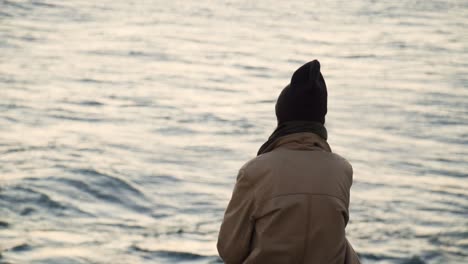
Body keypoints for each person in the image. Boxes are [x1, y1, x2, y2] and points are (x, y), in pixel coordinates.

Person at [217, 60, 361, 264]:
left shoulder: (255, 171)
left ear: (281, 115)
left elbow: (230, 250)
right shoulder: (342, 170)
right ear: (320, 118)